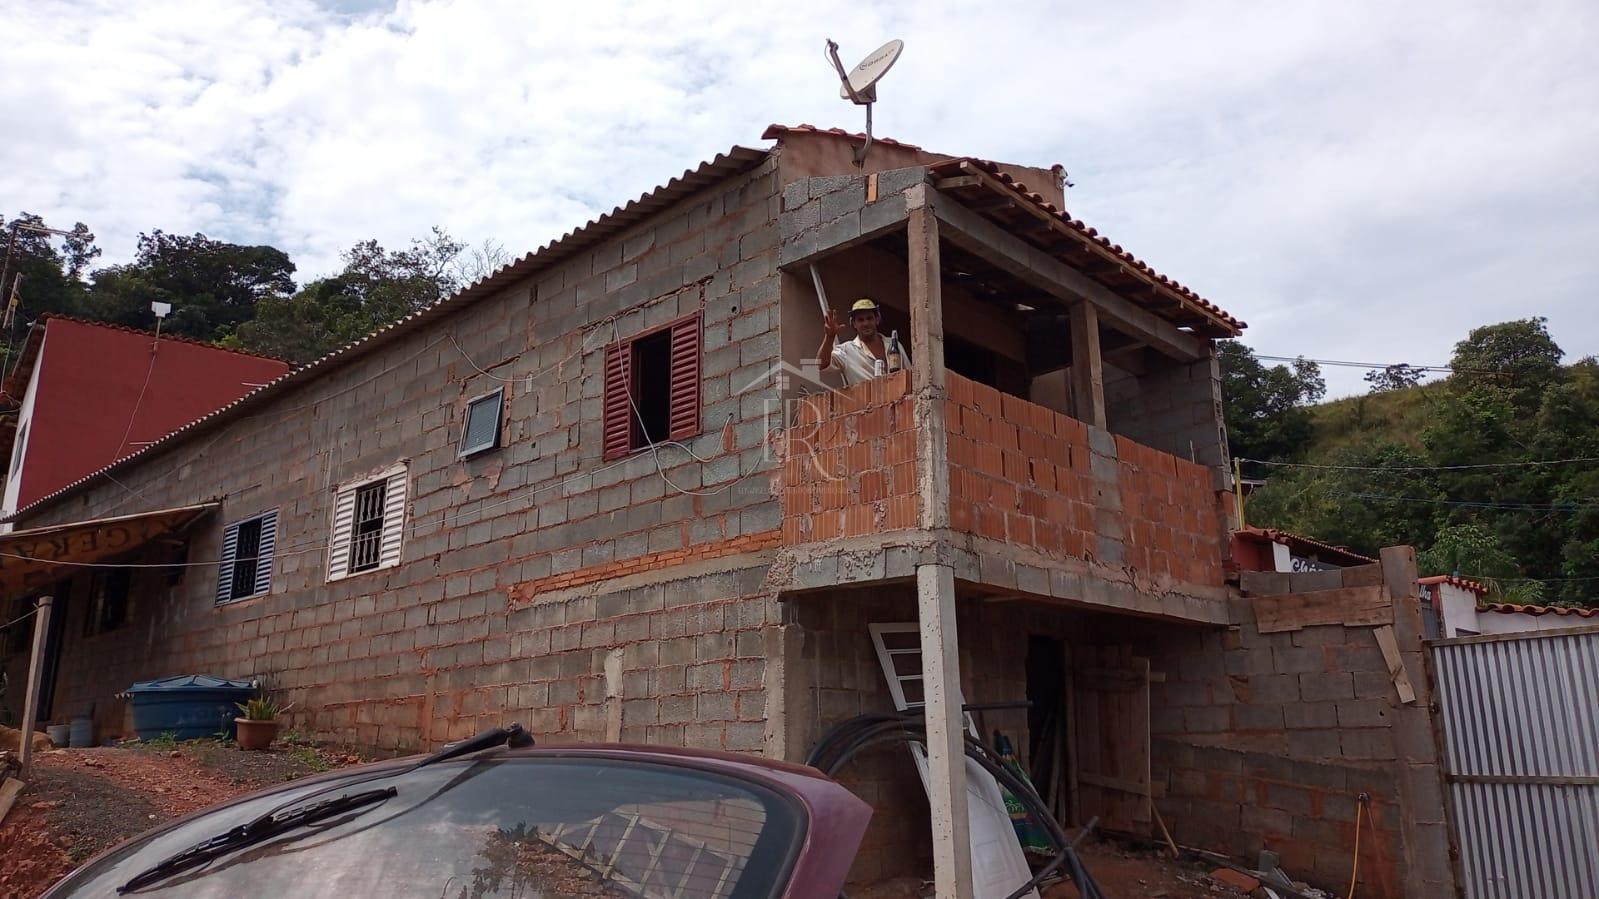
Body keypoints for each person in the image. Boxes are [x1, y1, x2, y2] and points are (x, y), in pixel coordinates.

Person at [818, 298, 907, 385]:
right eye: (860, 320)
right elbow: (821, 364)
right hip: (868, 399)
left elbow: (910, 373)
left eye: (869, 318)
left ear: (877, 319)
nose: (865, 323)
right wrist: (829, 337)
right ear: (853, 324)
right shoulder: (847, 351)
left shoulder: (894, 345)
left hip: (900, 399)